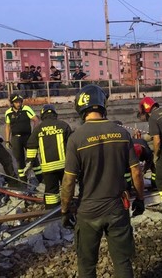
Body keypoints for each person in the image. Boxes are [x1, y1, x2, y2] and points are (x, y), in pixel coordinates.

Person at [61, 84, 144, 278]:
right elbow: (137, 172)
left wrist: (65, 210)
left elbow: (68, 182)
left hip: (88, 212)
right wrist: (140, 199)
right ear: (102, 104)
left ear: (81, 108)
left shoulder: (76, 139)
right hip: (117, 209)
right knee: (122, 262)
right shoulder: (122, 134)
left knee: (87, 265)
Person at [26, 104, 72, 209]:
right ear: (55, 114)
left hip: (48, 168)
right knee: (67, 188)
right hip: (64, 166)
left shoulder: (38, 129)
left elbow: (31, 146)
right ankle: (68, 208)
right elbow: (72, 145)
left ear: (42, 115)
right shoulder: (63, 125)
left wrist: (29, 161)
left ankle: (52, 213)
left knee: (51, 191)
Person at [5, 94, 42, 184]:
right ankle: (23, 181)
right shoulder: (8, 112)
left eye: (20, 102)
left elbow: (36, 120)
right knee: (19, 159)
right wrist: (7, 140)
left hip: (28, 138)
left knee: (33, 158)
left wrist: (34, 134)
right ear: (12, 103)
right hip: (16, 139)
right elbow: (8, 126)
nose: (19, 104)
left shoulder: (26, 109)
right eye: (16, 102)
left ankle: (41, 178)